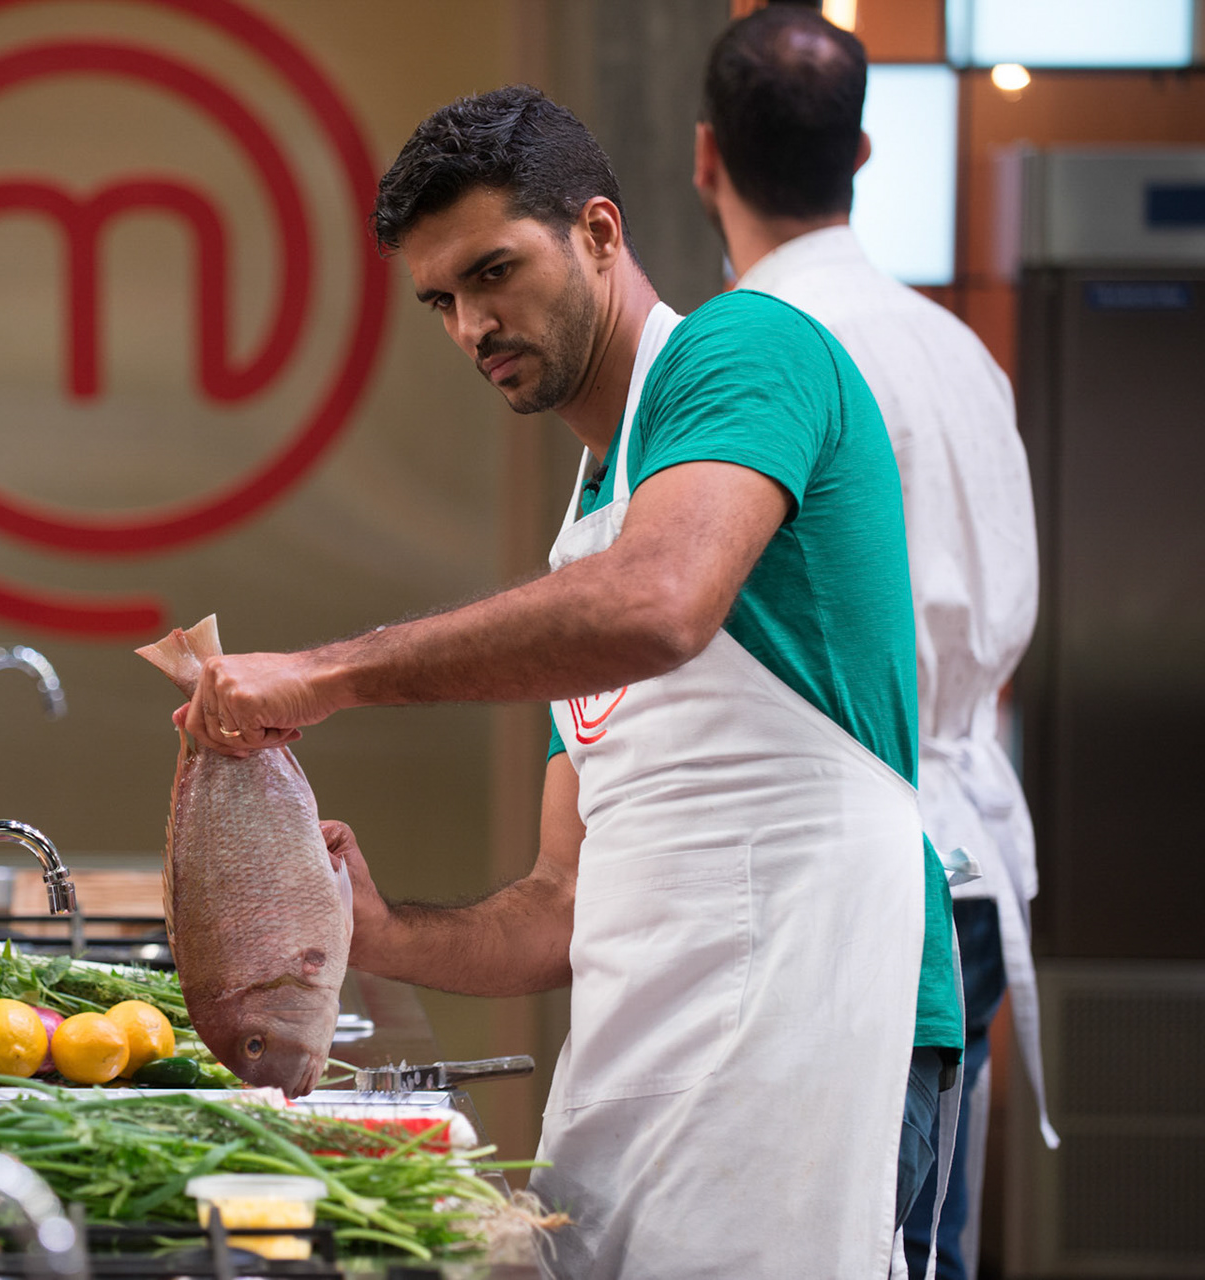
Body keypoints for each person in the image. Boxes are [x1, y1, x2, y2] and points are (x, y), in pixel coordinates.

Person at [171, 85, 961, 1277]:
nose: (471, 325)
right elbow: (562, 903)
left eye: (495, 271)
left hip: (821, 1018)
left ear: (598, 231)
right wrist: (379, 929)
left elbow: (660, 604)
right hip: (648, 1063)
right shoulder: (586, 537)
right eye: (442, 300)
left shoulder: (748, 349)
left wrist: (326, 673)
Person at [691, 9, 1056, 1277]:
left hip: (840, 886)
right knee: (922, 1246)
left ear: (703, 156)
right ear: (861, 153)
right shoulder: (961, 352)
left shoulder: (745, 354)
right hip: (975, 862)